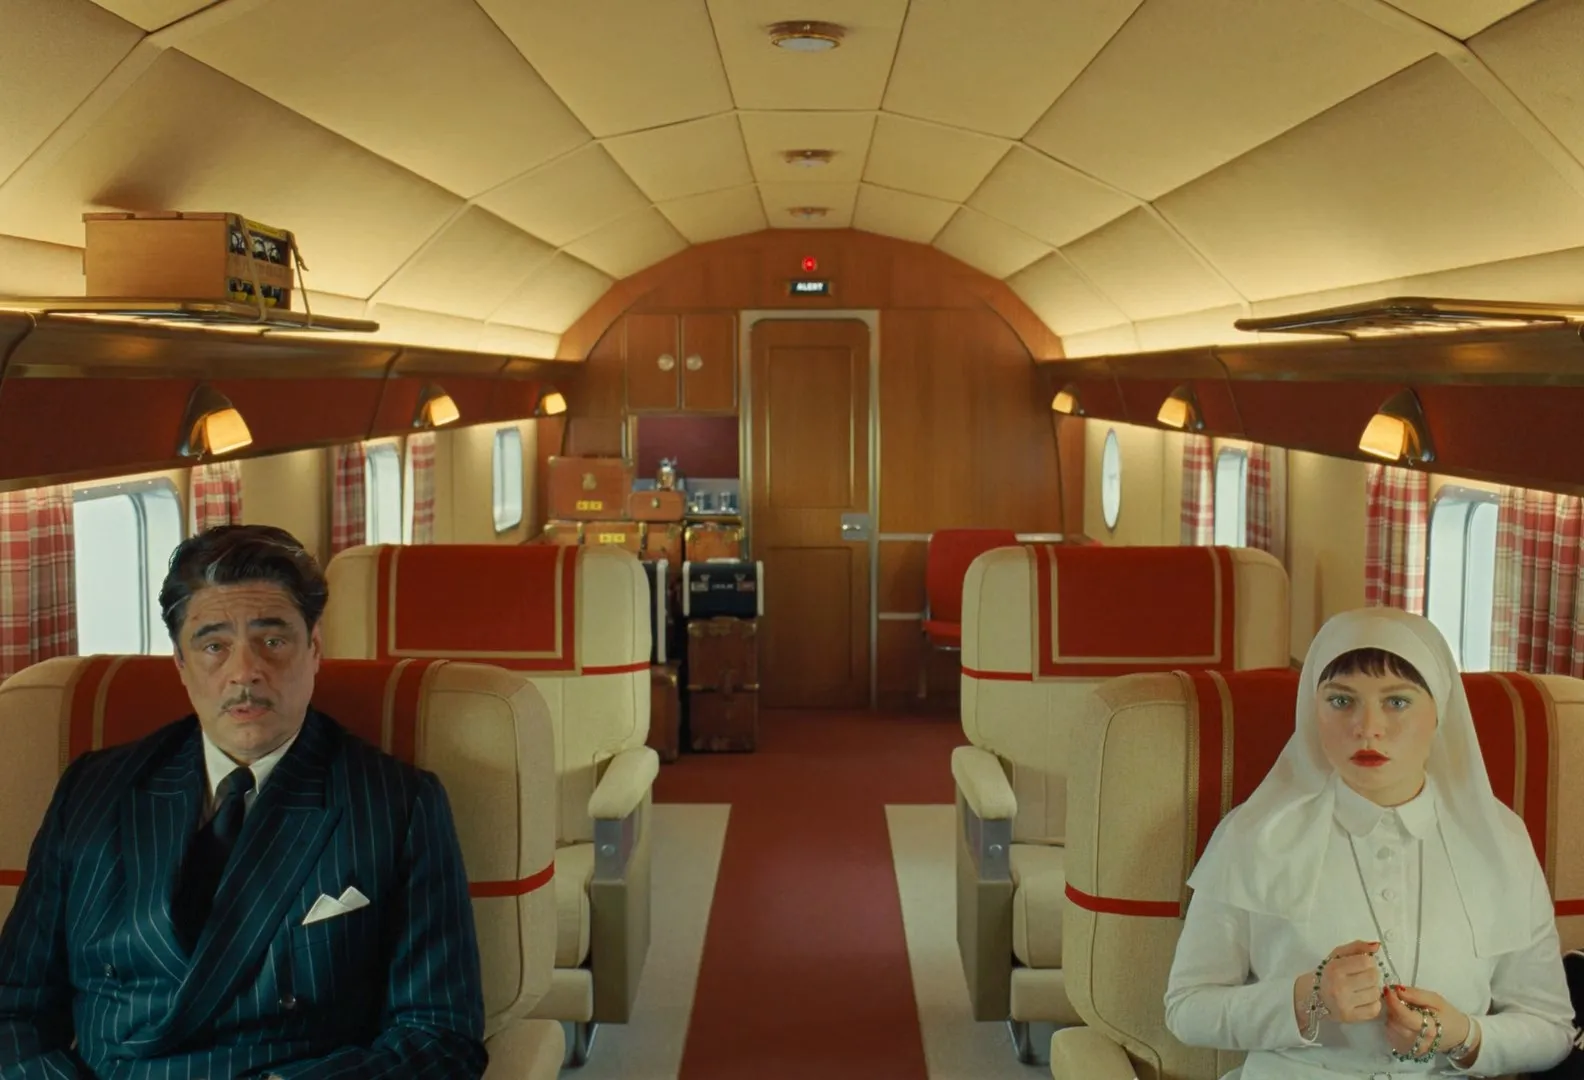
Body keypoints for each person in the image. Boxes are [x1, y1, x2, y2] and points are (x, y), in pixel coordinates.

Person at [0, 525, 487, 1078]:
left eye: (272, 641)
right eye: (214, 646)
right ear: (181, 664)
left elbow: (439, 1036)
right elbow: (14, 1009)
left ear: (315, 650)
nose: (245, 672)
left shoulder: (398, 805)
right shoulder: (93, 792)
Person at [1163, 606, 1573, 1078]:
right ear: (1313, 711)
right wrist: (1305, 999)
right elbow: (1187, 1008)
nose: (1367, 727)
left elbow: (1551, 1029)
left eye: (1397, 701)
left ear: (1439, 711)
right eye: (1341, 701)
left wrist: (1464, 1036)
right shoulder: (1254, 835)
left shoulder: (1500, 840)